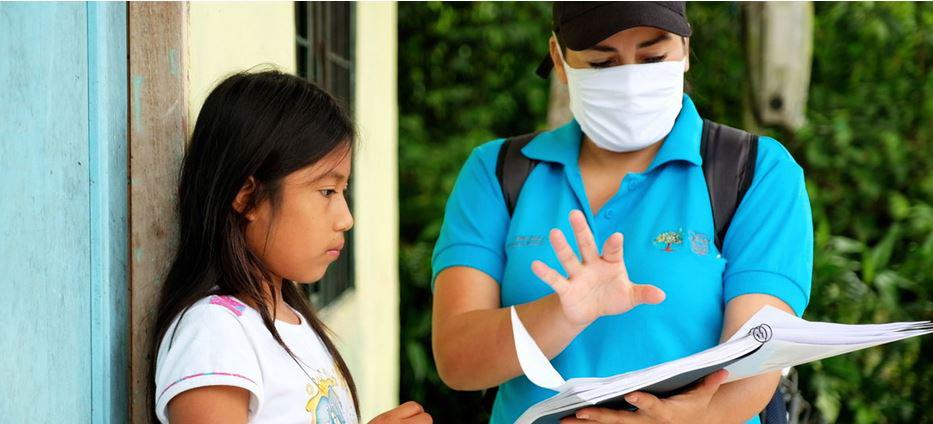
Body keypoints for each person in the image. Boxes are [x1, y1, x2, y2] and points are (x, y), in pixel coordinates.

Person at [431, 2, 813, 423]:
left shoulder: (754, 171)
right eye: (601, 63)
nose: (630, 80)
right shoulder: (497, 171)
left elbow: (756, 356)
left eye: (652, 57)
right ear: (559, 59)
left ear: (684, 48)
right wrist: (561, 314)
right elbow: (457, 360)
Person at [150, 70, 432, 424]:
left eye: (343, 191)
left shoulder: (294, 323)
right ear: (247, 197)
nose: (346, 219)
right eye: (326, 191)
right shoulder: (214, 332)